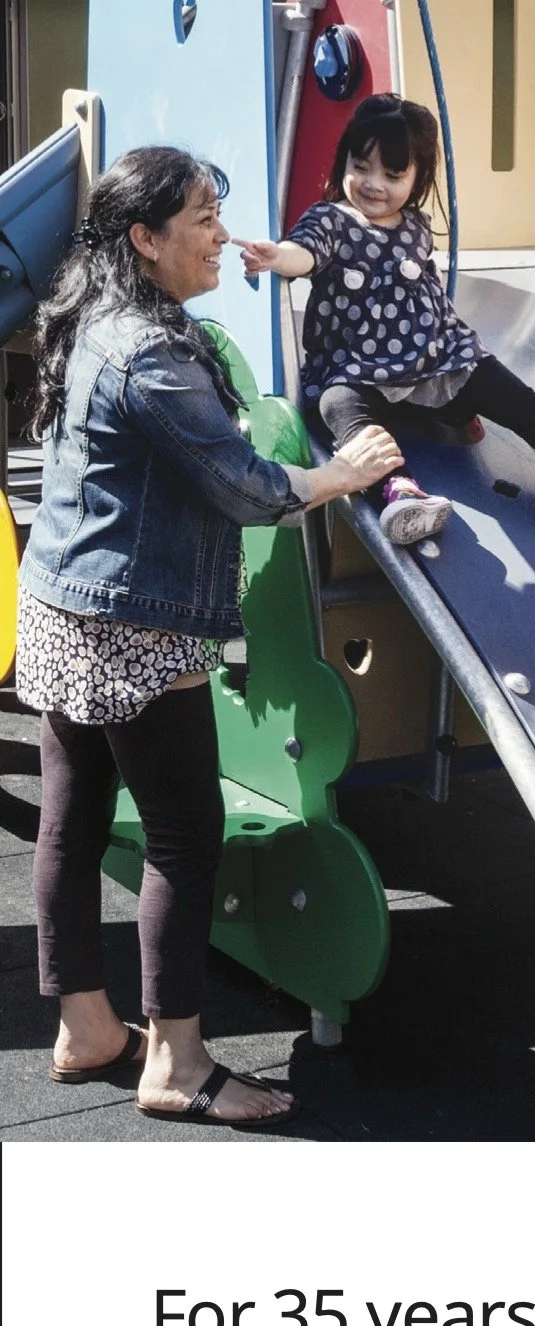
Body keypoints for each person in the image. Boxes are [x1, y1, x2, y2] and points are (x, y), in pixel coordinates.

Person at [20, 147, 401, 1126]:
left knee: (71, 819)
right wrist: (340, 473)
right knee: (186, 841)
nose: (220, 235)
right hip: (132, 627)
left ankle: (86, 1028)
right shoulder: (149, 351)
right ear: (146, 240)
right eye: (201, 218)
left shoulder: (93, 320)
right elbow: (242, 486)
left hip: (60, 605)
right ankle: (179, 1065)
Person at [237, 93, 535, 553]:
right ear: (344, 161)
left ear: (418, 177)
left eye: (393, 174)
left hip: (440, 356)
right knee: (338, 404)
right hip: (361, 368)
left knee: (519, 400)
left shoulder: (415, 223)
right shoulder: (332, 220)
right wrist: (278, 257)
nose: (373, 184)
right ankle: (398, 489)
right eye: (361, 166)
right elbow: (305, 252)